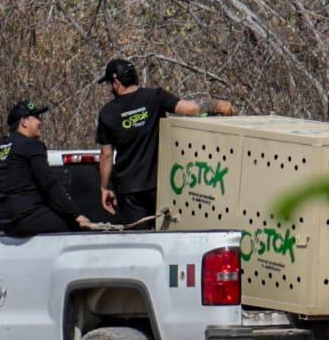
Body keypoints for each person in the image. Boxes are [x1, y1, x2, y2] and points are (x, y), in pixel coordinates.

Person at [94, 58, 236, 226]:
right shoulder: (155, 97)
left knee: (140, 242)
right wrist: (219, 105)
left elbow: (106, 154)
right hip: (161, 184)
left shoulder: (107, 113)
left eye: (110, 83)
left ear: (116, 82)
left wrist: (104, 187)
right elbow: (190, 109)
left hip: (130, 189)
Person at [0, 100, 91, 236]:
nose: (41, 122)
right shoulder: (31, 145)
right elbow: (48, 184)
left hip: (6, 222)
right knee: (77, 228)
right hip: (27, 217)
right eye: (37, 118)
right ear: (24, 122)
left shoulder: (0, 147)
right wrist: (76, 215)